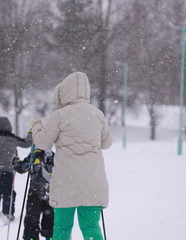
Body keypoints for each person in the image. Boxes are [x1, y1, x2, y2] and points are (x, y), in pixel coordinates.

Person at [29, 72, 113, 240]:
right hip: (92, 183)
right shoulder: (97, 114)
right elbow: (107, 143)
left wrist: (36, 126)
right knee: (91, 227)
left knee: (62, 229)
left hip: (66, 182)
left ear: (63, 92)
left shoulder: (59, 115)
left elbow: (43, 143)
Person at [0, 116, 32, 220]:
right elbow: (27, 143)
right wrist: (31, 133)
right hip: (9, 166)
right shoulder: (14, 138)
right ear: (9, 126)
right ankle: (8, 212)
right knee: (9, 189)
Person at [12, 146, 55, 240]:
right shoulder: (54, 155)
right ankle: (50, 236)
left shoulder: (35, 155)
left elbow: (22, 168)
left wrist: (15, 162)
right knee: (50, 220)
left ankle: (31, 237)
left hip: (35, 191)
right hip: (51, 192)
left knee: (32, 219)